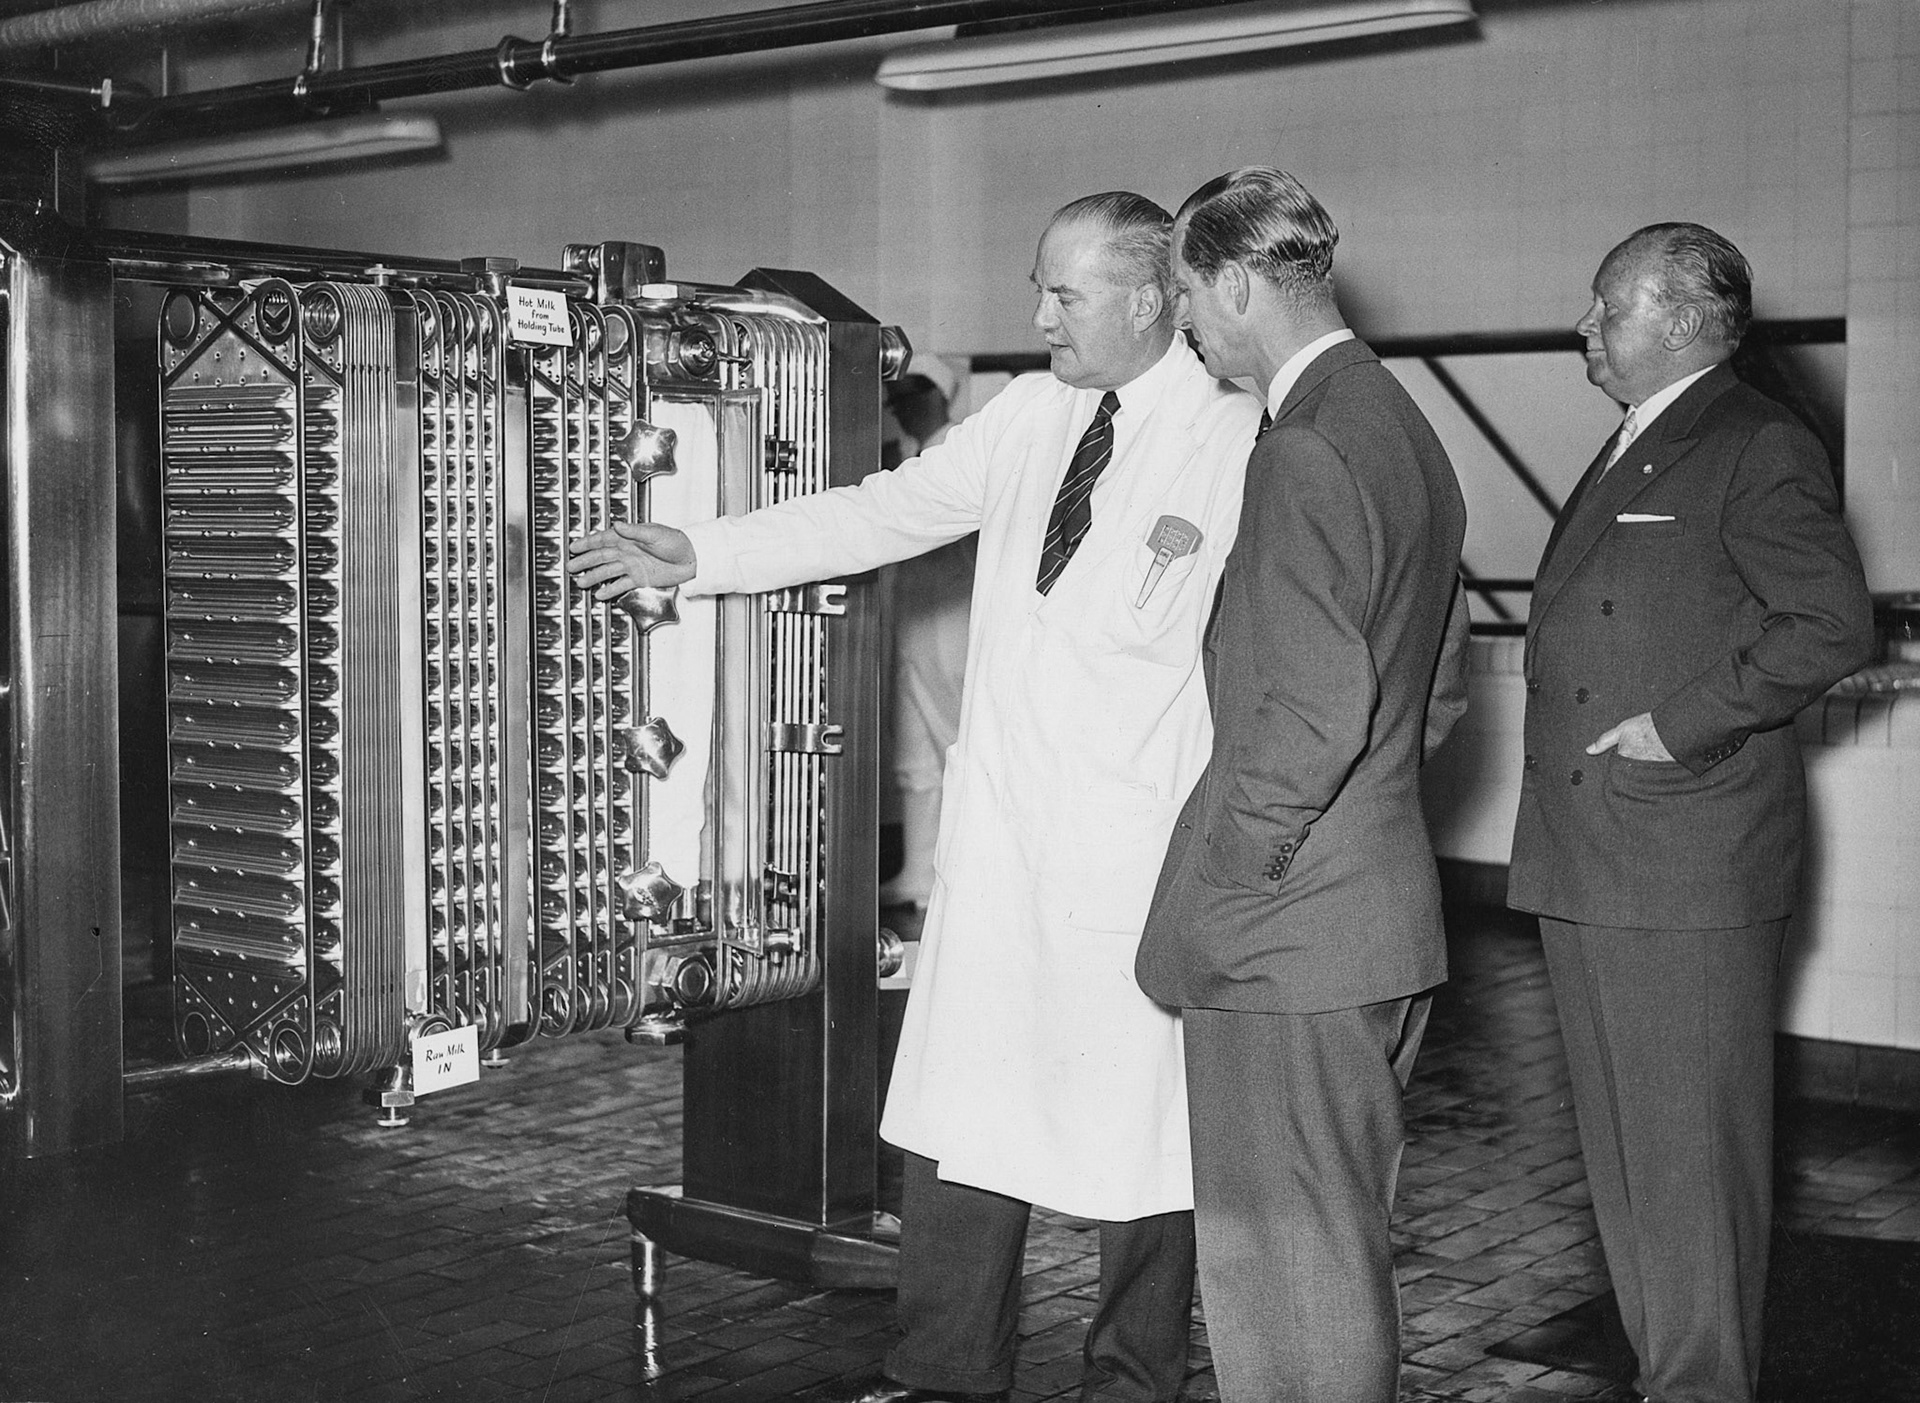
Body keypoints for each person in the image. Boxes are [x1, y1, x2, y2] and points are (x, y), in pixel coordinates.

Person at [569, 192, 1261, 1403]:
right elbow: (887, 510)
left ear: (1152, 301)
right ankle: (945, 1370)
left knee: (1147, 1144)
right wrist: (706, 553)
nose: (1037, 314)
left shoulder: (1237, 437)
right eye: (1039, 286)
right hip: (1000, 847)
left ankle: (1135, 1379)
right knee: (965, 1119)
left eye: (1065, 293)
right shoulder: (1031, 417)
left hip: (1136, 848)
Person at [1507, 223, 1873, 1403]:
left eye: (1606, 305)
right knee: (1627, 1165)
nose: (1586, 324)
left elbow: (1828, 621)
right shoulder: (1641, 441)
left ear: (1676, 320)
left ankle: (1702, 1384)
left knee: (1691, 1171)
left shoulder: (1753, 439)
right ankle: (1674, 1377)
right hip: (1596, 853)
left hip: (1684, 856)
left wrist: (1680, 723)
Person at [1134, 167, 1470, 1403]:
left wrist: (1237, 875)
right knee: (1333, 1251)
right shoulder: (1402, 426)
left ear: (1233, 282)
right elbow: (1431, 694)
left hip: (1290, 947)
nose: (1186, 324)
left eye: (1185, 295)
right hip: (1376, 920)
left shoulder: (1304, 449)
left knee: (1283, 1282)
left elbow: (1312, 719)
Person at [878, 359, 973, 912]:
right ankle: (917, 874)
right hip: (917, 627)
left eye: (909, 394)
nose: (897, 406)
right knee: (916, 759)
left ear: (937, 396)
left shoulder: (953, 452)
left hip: (953, 627)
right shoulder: (910, 458)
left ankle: (960, 880)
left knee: (955, 749)